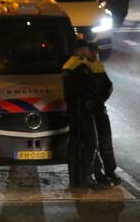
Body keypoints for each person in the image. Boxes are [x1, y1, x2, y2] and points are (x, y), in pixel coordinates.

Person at [63, 39, 98, 189]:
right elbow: (88, 87)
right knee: (90, 143)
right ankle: (85, 177)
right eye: (84, 48)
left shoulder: (69, 65)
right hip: (80, 110)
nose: (87, 51)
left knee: (75, 144)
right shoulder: (78, 66)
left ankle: (74, 179)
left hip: (74, 109)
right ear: (79, 50)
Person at [86, 43, 120, 186]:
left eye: (95, 53)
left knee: (105, 143)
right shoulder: (83, 67)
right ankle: (99, 173)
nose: (94, 55)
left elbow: (108, 86)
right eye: (92, 53)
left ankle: (108, 172)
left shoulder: (97, 66)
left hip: (98, 109)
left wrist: (100, 100)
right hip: (90, 112)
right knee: (95, 143)